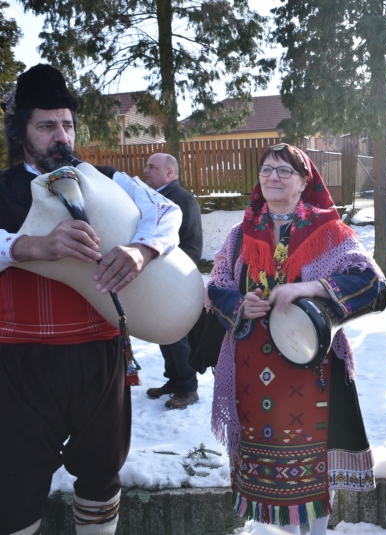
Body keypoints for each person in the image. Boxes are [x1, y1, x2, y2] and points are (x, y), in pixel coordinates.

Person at [0, 64, 179, 534]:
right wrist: (28, 246)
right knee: (14, 485)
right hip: (19, 360)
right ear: (20, 132)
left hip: (100, 354)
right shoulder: (1, 190)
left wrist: (141, 250)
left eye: (67, 124)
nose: (60, 135)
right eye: (46, 125)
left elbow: (167, 211)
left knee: (101, 474)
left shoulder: (108, 180)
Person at [207, 143, 384, 533]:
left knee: (313, 474)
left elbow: (373, 284)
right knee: (269, 476)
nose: (273, 177)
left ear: (304, 181)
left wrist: (315, 288)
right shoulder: (240, 235)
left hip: (311, 371)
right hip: (252, 374)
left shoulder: (329, 232)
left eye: (285, 171)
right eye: (267, 170)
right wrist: (240, 305)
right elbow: (216, 287)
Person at [143, 152, 203, 409]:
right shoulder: (154, 198)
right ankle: (174, 381)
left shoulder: (182, 199)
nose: (146, 170)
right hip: (157, 278)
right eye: (146, 166)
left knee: (177, 335)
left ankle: (188, 388)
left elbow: (192, 245)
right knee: (163, 332)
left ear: (170, 173)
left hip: (175, 279)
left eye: (152, 167)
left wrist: (172, 273)